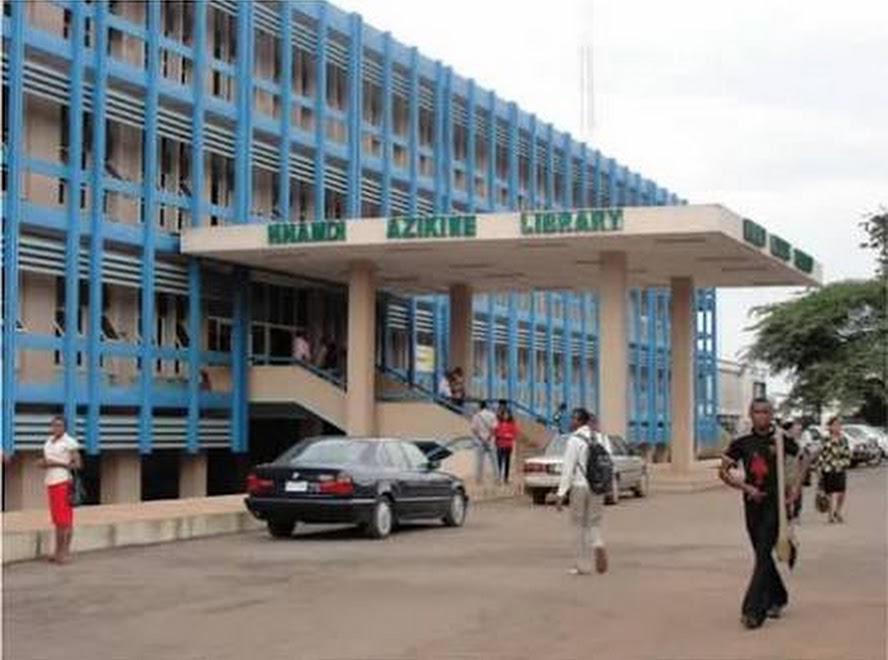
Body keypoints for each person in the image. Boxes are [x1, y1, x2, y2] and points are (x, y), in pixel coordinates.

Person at [719, 398, 811, 629]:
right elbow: (723, 472)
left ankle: (752, 611)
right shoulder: (742, 443)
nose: (761, 416)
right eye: (757, 412)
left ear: (771, 415)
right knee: (762, 555)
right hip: (752, 503)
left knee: (762, 555)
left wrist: (796, 489)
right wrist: (745, 487)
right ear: (751, 414)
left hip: (775, 504)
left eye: (766, 412)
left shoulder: (780, 440)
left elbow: (805, 458)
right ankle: (779, 596)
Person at [554, 408, 608, 575]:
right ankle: (598, 544)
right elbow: (607, 463)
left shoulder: (574, 440)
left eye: (573, 419)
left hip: (579, 486)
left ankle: (580, 565)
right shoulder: (602, 438)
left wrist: (561, 493)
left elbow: (568, 468)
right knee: (594, 523)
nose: (570, 422)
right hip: (597, 486)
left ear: (579, 421)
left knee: (578, 526)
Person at [38, 415, 82, 564]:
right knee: (57, 521)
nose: (56, 428)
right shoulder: (49, 441)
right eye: (54, 425)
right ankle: (57, 552)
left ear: (65, 427)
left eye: (59, 425)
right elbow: (48, 461)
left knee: (65, 521)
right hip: (50, 482)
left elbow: (78, 464)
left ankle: (65, 552)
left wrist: (56, 463)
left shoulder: (69, 442)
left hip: (63, 481)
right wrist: (43, 463)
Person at [816, 416, 851, 524]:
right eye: (835, 425)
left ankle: (838, 511)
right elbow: (821, 455)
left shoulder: (843, 439)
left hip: (840, 468)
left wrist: (845, 463)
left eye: (839, 425)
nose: (837, 427)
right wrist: (819, 469)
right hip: (828, 469)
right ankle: (830, 515)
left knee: (842, 492)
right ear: (830, 427)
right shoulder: (825, 439)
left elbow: (847, 454)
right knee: (829, 493)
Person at [470, 401, 499, 484]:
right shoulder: (492, 415)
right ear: (486, 406)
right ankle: (497, 479)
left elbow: (474, 430)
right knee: (494, 461)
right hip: (491, 441)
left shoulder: (476, 416)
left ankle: (479, 480)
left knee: (479, 462)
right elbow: (494, 429)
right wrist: (488, 438)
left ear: (480, 406)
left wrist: (482, 439)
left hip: (480, 441)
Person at [494, 407, 518, 484]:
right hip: (500, 445)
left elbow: (514, 434)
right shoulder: (499, 423)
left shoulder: (512, 424)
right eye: (504, 414)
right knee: (499, 462)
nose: (505, 416)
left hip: (508, 445)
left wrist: (504, 435)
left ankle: (506, 478)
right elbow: (496, 433)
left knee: (507, 462)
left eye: (507, 414)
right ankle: (498, 478)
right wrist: (505, 435)